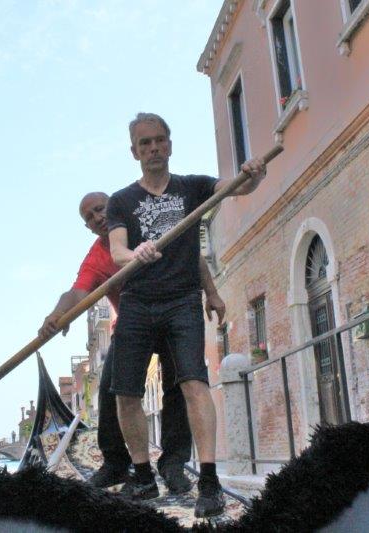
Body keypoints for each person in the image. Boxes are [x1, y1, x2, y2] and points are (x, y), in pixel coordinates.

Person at [106, 112, 266, 517]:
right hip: (139, 301)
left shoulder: (193, 188)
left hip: (181, 301)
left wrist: (253, 175)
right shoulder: (122, 200)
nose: (154, 148)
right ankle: (143, 477)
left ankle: (208, 481)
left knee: (195, 383)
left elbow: (235, 189)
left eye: (160, 140)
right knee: (126, 392)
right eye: (146, 143)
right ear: (134, 151)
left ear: (170, 145)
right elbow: (117, 251)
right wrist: (136, 253)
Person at [38, 191, 226, 494]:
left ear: (114, 207)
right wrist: (58, 314)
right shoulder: (97, 256)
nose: (97, 218)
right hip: (132, 325)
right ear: (87, 227)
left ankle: (173, 464)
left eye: (100, 210)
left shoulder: (149, 225)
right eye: (89, 217)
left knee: (178, 386)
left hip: (172, 315)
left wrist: (213, 294)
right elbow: (77, 293)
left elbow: (191, 255)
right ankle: (116, 464)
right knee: (113, 386)